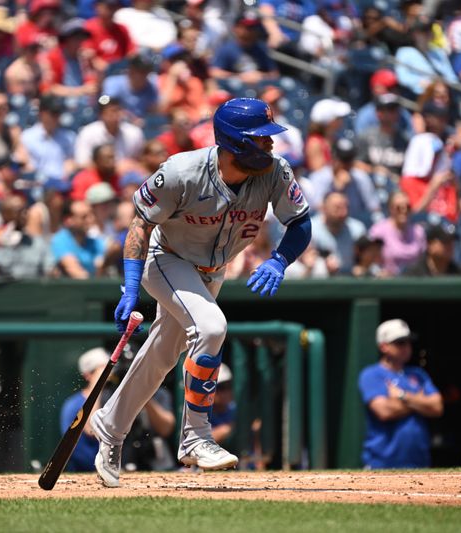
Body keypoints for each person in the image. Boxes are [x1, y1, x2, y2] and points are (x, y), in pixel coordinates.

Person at [90, 97, 311, 487]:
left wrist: (280, 260)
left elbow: (300, 223)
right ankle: (196, 435)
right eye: (261, 139)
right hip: (167, 258)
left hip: (213, 269)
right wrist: (130, 286)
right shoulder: (181, 171)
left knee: (161, 355)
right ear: (235, 142)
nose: (271, 145)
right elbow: (140, 223)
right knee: (210, 327)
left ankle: (110, 424)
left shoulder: (275, 171)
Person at [358, 319, 443, 469]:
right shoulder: (372, 374)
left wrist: (403, 396)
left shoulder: (418, 374)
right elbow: (384, 411)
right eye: (400, 342)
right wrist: (420, 400)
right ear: (384, 346)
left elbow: (436, 407)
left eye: (408, 342)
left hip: (419, 462)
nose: (407, 347)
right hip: (382, 463)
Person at [59, 348, 110, 471]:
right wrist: (98, 385)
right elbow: (91, 430)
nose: (110, 375)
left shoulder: (112, 398)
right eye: (104, 370)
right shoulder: (73, 404)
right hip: (86, 471)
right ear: (88, 375)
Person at [73, 96, 144, 174]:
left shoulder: (134, 133)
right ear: (101, 115)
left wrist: (131, 165)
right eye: (111, 111)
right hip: (99, 176)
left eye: (118, 110)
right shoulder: (87, 133)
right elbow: (82, 163)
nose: (116, 115)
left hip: (127, 178)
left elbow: (143, 162)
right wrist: (114, 168)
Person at [368, 191, 426, 276]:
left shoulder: (419, 232)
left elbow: (423, 260)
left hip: (414, 282)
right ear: (391, 209)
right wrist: (379, 273)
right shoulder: (378, 231)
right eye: (399, 208)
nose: (404, 211)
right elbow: (370, 261)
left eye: (407, 207)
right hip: (388, 283)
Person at [21, 95, 77, 182]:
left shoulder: (69, 137)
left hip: (61, 184)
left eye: (58, 113)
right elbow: (26, 165)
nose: (56, 117)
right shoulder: (27, 137)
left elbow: (70, 162)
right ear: (41, 113)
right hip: (38, 184)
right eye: (53, 113)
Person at [309, 191, 366, 275]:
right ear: (324, 208)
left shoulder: (357, 229)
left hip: (351, 281)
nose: (343, 212)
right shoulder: (310, 229)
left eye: (346, 207)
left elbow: (367, 259)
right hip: (319, 282)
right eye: (337, 208)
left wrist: (362, 267)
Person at [51, 199, 106, 279]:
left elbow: (102, 268)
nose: (91, 219)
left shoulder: (97, 242)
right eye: (84, 217)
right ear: (68, 220)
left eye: (91, 214)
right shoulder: (59, 240)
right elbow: (76, 273)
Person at [209, 363, 236, 445]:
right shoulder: (202, 414)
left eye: (229, 386)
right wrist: (227, 429)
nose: (227, 392)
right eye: (221, 388)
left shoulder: (234, 409)